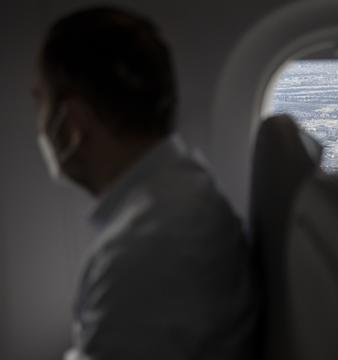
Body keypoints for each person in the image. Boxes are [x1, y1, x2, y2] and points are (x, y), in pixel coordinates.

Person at [32, 6, 256, 359]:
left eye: (39, 103)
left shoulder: (139, 253)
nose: (40, 127)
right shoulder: (181, 189)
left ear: (74, 125)